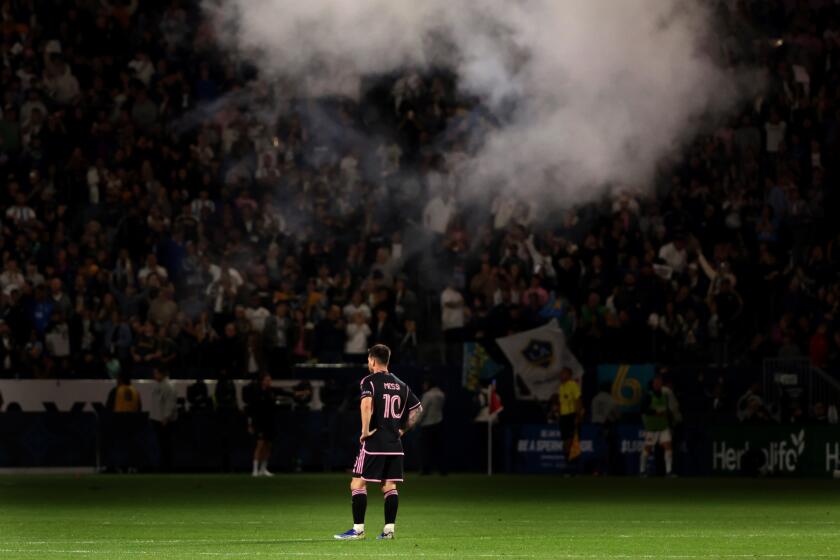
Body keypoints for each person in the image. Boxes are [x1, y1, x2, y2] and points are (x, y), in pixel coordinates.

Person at [335, 344, 423, 541]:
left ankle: (358, 530)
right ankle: (388, 530)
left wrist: (365, 430)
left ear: (373, 360)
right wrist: (402, 430)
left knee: (357, 483)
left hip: (375, 442)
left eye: (368, 360)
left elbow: (366, 404)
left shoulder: (369, 381)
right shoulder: (401, 384)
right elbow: (417, 410)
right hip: (394, 444)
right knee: (389, 486)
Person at [639, 375, 674, 476]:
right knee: (647, 449)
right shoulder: (648, 396)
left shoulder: (664, 396)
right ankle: (642, 470)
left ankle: (669, 471)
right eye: (656, 383)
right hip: (652, 428)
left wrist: (670, 423)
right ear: (653, 384)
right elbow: (643, 409)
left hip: (663, 427)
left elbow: (667, 411)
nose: (658, 385)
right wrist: (656, 412)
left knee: (668, 447)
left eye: (660, 383)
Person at [245, 372, 277, 477]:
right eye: (267, 380)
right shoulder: (256, 392)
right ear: (263, 381)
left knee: (268, 445)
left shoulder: (271, 392)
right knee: (260, 444)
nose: (269, 382)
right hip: (259, 423)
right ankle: (255, 469)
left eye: (270, 380)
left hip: (270, 423)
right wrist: (250, 424)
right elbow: (251, 409)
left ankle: (263, 469)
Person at [149, 366, 178, 472]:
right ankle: (162, 465)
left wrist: (166, 417)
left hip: (164, 421)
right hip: (157, 418)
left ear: (162, 374)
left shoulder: (168, 386)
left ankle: (167, 466)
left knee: (165, 445)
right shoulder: (159, 385)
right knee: (161, 445)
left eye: (156, 373)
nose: (154, 375)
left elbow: (170, 403)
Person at [418, 376, 446, 475]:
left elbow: (422, 411)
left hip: (428, 425)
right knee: (438, 448)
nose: (423, 386)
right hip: (439, 423)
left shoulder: (428, 395)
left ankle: (426, 470)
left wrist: (414, 423)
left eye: (425, 384)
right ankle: (442, 469)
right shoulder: (441, 394)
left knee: (426, 449)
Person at [557, 367, 583, 466]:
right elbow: (561, 403)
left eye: (563, 373)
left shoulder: (573, 385)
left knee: (571, 442)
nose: (561, 375)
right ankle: (568, 464)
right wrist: (558, 414)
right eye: (561, 373)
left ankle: (572, 466)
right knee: (565, 442)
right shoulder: (561, 387)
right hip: (563, 417)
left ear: (568, 375)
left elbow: (578, 400)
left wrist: (578, 416)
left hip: (571, 416)